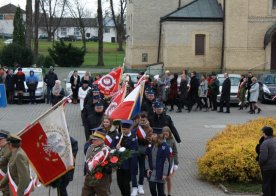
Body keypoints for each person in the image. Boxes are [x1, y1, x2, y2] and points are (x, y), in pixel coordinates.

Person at [110, 120, 138, 196]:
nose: (123, 131)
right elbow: (111, 147)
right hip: (119, 164)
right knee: (120, 183)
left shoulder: (133, 137)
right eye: (122, 129)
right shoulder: (118, 136)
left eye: (125, 129)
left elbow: (132, 150)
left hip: (129, 164)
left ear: (129, 129)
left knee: (126, 183)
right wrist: (115, 148)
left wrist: (121, 148)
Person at [81, 130, 110, 196]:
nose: (93, 141)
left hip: (100, 179)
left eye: (95, 140)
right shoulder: (91, 147)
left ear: (102, 140)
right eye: (92, 139)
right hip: (89, 177)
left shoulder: (106, 150)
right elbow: (87, 161)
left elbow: (111, 167)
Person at [131, 112, 153, 196]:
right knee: (133, 169)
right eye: (141, 119)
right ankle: (134, 187)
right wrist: (134, 126)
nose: (142, 121)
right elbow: (130, 136)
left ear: (147, 119)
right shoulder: (134, 126)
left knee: (142, 169)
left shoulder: (149, 129)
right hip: (133, 151)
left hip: (143, 152)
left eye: (144, 119)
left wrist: (139, 139)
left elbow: (148, 140)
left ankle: (140, 185)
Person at [145, 128, 170, 196]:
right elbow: (146, 158)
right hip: (152, 172)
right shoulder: (150, 145)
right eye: (153, 134)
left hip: (160, 172)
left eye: (155, 135)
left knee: (161, 192)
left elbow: (166, 161)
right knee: (152, 188)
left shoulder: (165, 146)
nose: (153, 136)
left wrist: (165, 174)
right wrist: (147, 169)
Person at [259, 126, 276, 196]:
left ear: (265, 133)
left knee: (266, 185)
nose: (262, 134)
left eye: (263, 132)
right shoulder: (275, 141)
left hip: (268, 168)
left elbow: (263, 158)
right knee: (273, 185)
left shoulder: (265, 143)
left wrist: (260, 164)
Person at [162, 126, 178, 196]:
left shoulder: (172, 140)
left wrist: (176, 163)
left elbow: (175, 152)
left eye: (166, 133)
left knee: (168, 178)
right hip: (162, 162)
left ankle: (169, 193)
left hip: (170, 162)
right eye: (164, 133)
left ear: (169, 133)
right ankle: (162, 193)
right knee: (162, 179)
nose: (165, 135)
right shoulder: (160, 140)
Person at [0, 130, 11, 196]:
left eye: (0, 139)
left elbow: (2, 161)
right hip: (4, 179)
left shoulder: (8, 148)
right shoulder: (3, 148)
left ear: (6, 140)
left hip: (7, 180)